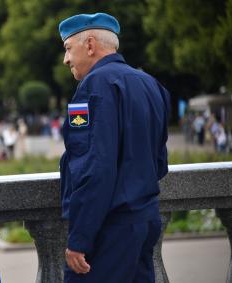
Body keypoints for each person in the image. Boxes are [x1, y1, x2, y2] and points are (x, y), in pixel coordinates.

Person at [58, 13, 170, 282]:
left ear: (90, 45)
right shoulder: (151, 84)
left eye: (67, 49)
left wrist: (80, 238)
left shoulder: (93, 88)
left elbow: (93, 169)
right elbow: (160, 163)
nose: (66, 60)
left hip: (109, 231)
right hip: (145, 222)